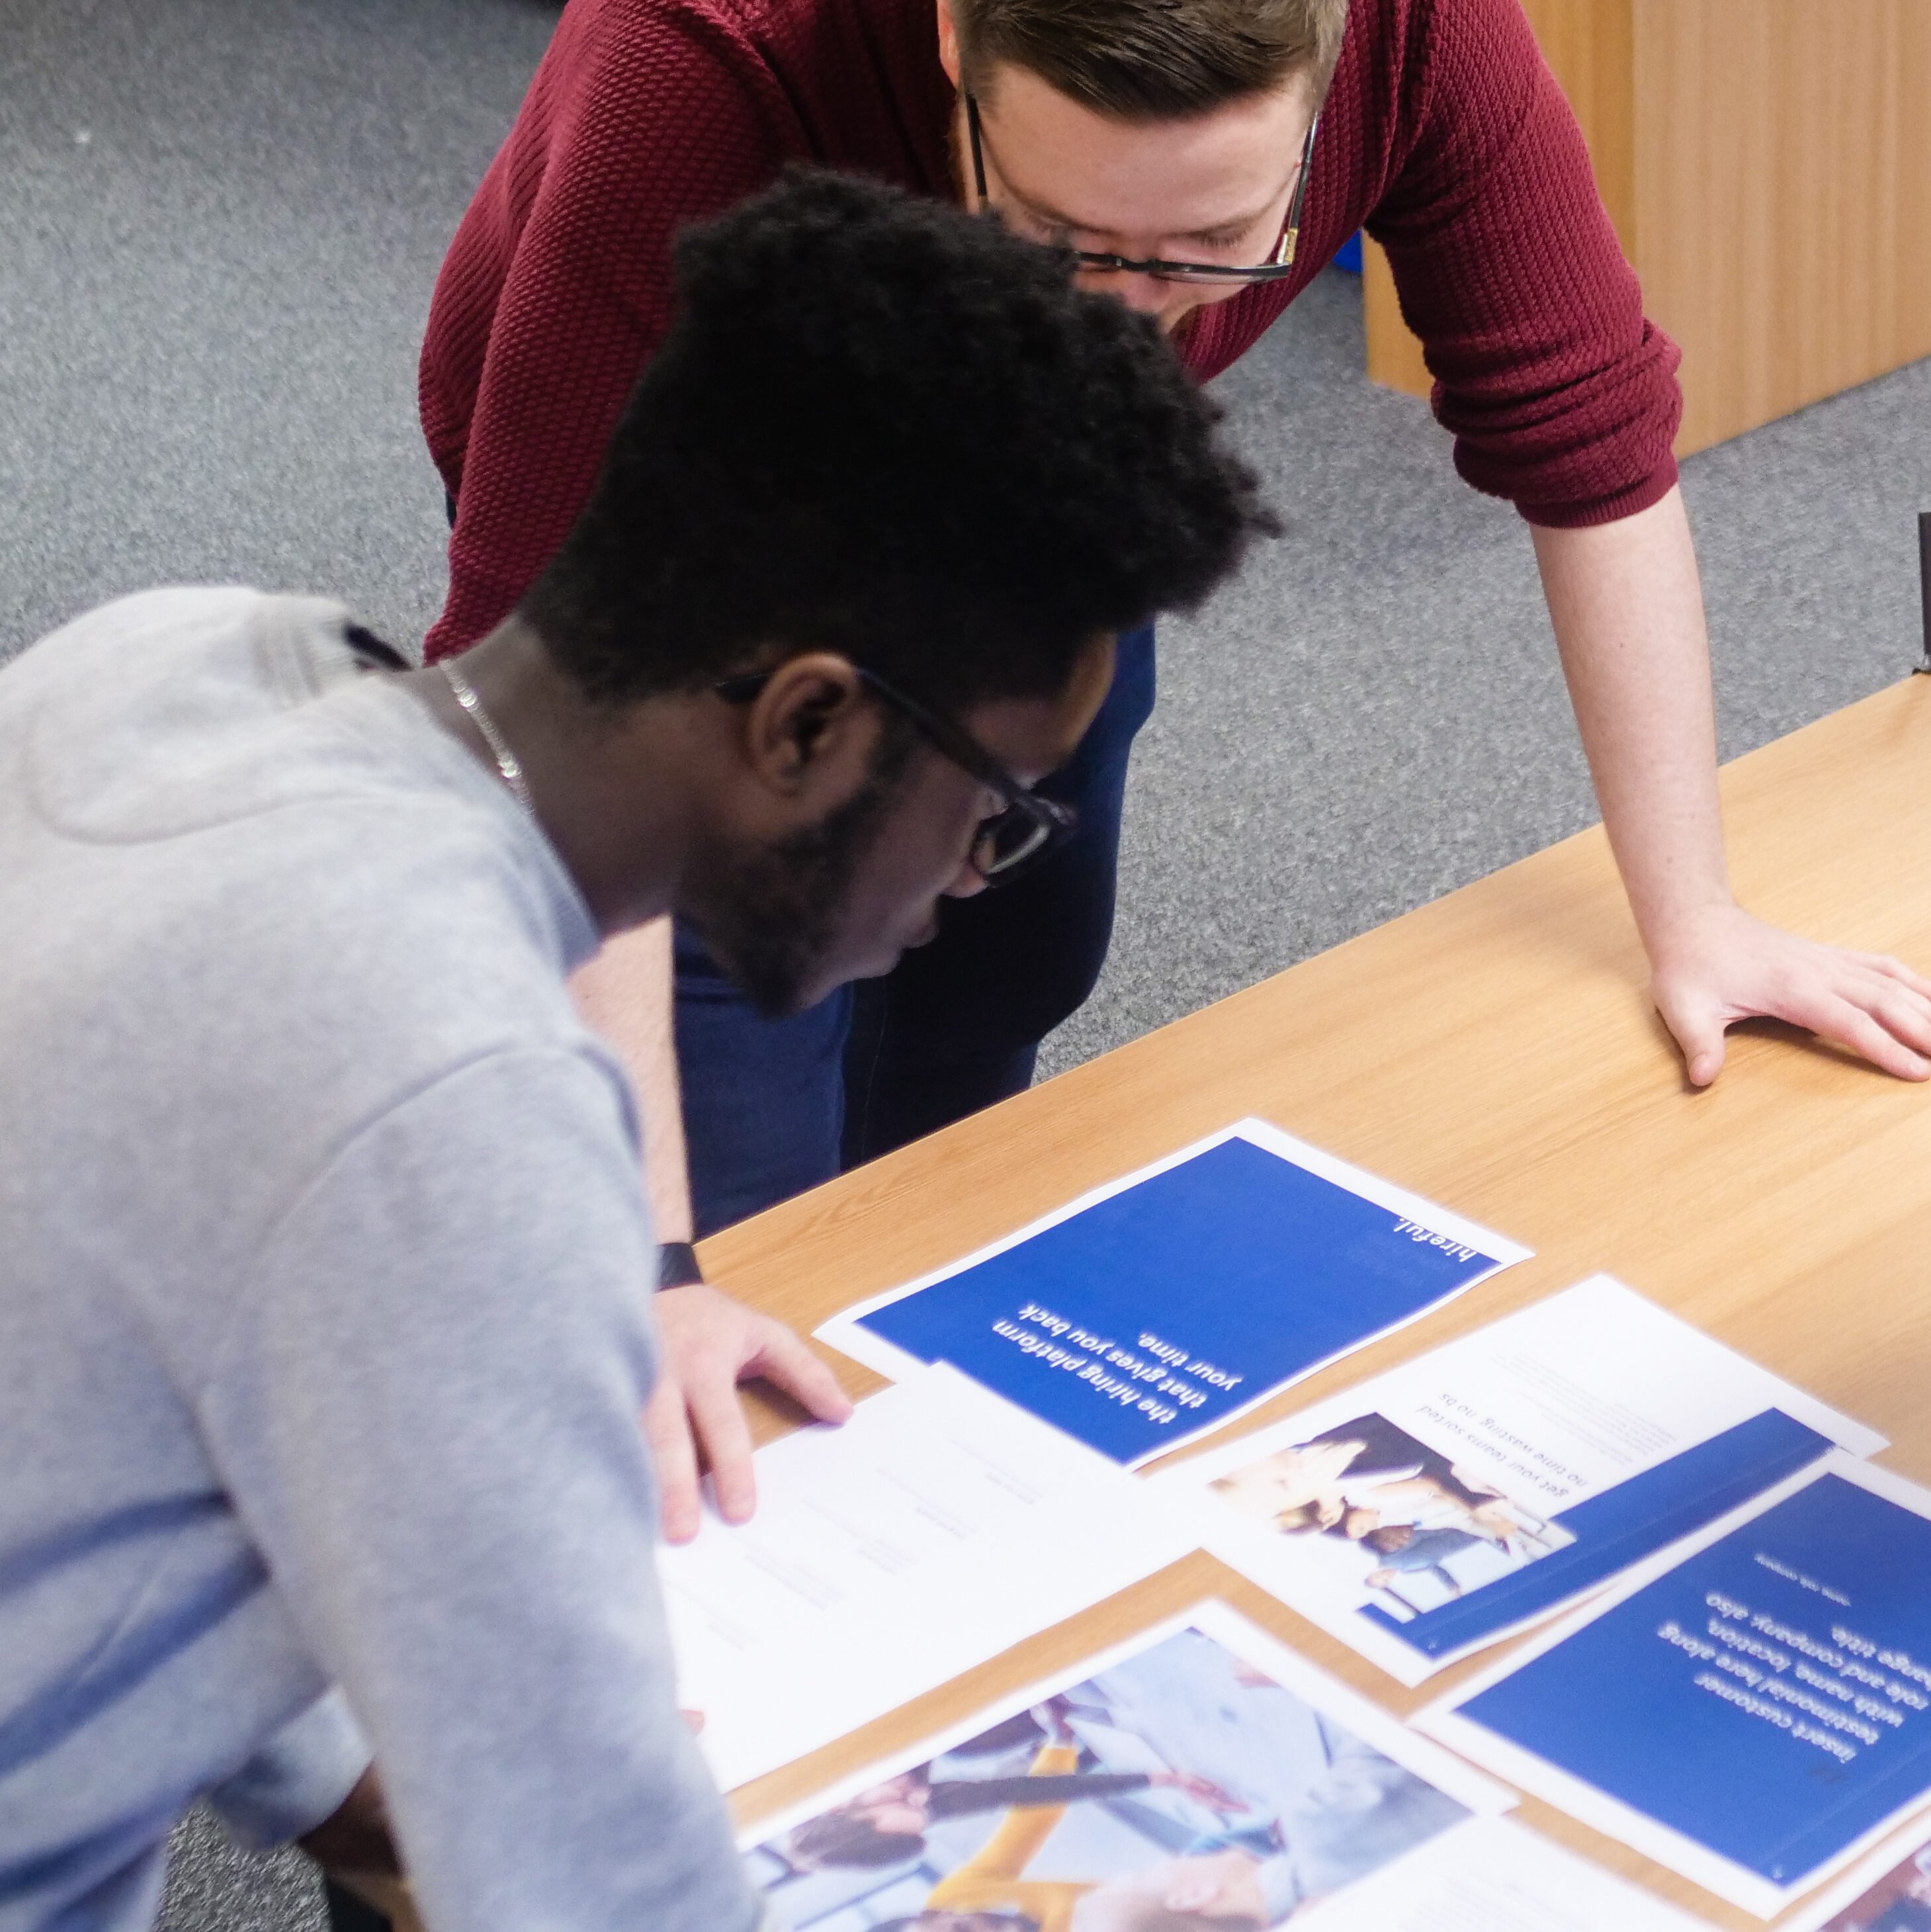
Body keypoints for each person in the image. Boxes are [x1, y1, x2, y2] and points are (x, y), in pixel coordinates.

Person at [0, 171, 1271, 1931]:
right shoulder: (466, 1100)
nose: (975, 882)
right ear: (808, 724)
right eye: (996, 808)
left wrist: (360, 1777)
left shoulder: (184, 660)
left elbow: (104, 1402)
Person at [419, 0, 1931, 1292]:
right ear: (952, 37)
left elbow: (1588, 444)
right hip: (685, 515)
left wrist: (1695, 911)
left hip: (1039, 492)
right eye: (1063, 237)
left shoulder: (1409, 27)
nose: (1132, 308)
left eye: (1210, 243)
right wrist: (657, 1268)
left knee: (1001, 980)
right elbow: (566, 709)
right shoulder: (704, 60)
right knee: (731, 1193)